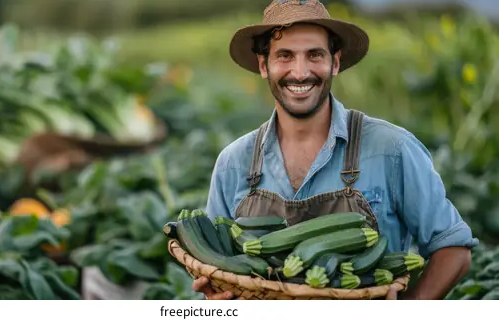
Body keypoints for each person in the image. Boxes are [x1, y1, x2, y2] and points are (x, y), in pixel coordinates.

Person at [194, 0, 478, 300]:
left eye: (314, 55)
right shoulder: (233, 163)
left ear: (336, 62)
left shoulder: (392, 149)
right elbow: (214, 261)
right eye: (285, 56)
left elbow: (453, 249)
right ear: (264, 65)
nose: (300, 72)